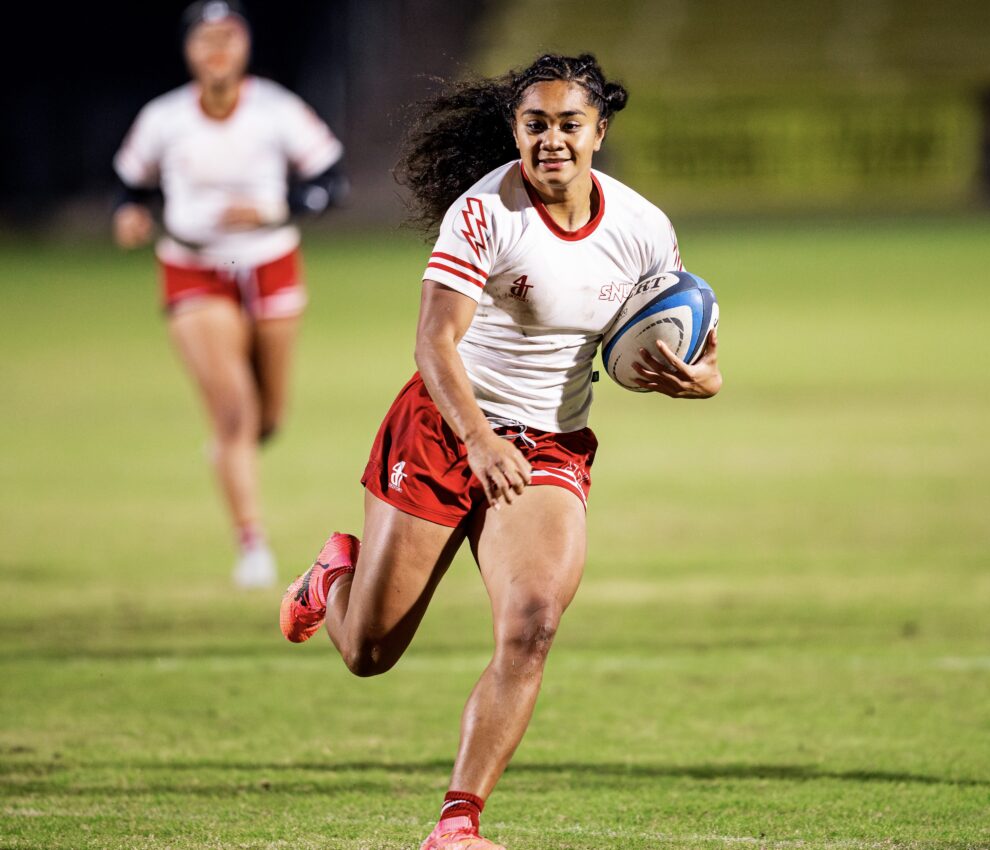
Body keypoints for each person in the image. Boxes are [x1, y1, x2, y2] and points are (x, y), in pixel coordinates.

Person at [279, 53, 722, 849]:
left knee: (533, 624)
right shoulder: (485, 213)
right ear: (516, 130)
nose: (552, 140)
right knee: (369, 652)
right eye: (536, 124)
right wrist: (478, 439)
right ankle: (331, 577)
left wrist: (703, 379)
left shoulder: (643, 227)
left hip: (550, 445)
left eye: (569, 124)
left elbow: (694, 329)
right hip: (448, 427)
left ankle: (458, 823)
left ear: (600, 132)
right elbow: (433, 342)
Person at [112, 0, 344, 588]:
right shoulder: (164, 118)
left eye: (228, 36)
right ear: (188, 49)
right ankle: (253, 546)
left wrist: (277, 207)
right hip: (194, 267)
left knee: (268, 417)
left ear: (244, 46)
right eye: (205, 38)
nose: (217, 49)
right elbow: (129, 185)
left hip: (269, 262)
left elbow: (330, 182)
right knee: (235, 413)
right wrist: (130, 215)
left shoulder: (275, 109)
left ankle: (232, 448)